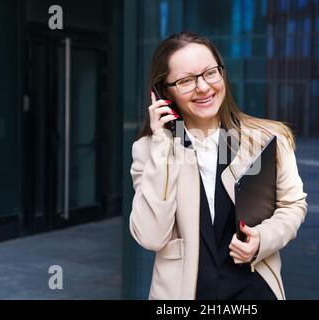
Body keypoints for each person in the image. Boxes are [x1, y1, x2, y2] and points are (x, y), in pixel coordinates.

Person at [129, 31, 307, 300]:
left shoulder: (265, 140)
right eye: (186, 80)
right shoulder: (149, 151)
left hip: (253, 292)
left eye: (210, 72)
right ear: (164, 93)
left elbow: (293, 206)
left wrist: (263, 238)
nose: (203, 87)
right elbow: (151, 237)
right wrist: (164, 145)